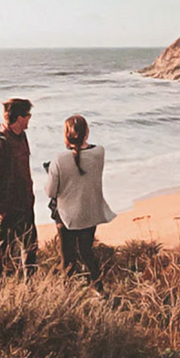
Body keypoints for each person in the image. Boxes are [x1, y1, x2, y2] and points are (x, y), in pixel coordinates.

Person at [45, 115, 115, 288]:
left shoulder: (59, 159)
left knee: (67, 258)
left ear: (66, 135)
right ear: (87, 133)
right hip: (90, 212)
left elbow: (50, 192)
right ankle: (99, 288)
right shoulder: (99, 152)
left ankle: (68, 293)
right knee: (87, 252)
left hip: (67, 216)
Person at [0, 98, 38, 284]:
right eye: (28, 115)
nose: (30, 119)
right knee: (1, 252)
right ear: (19, 118)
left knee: (30, 249)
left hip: (25, 205)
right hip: (6, 209)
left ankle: (32, 290)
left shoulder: (21, 136)